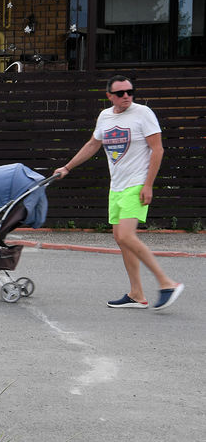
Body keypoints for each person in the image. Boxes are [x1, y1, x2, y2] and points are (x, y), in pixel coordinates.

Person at [54, 75, 183, 310]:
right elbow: (93, 144)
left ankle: (167, 283)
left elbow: (158, 150)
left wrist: (148, 185)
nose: (127, 96)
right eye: (121, 93)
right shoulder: (105, 116)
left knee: (126, 236)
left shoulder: (143, 113)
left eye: (130, 92)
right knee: (121, 240)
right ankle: (136, 294)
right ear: (109, 96)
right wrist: (67, 167)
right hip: (117, 187)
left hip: (136, 184)